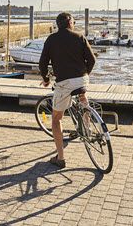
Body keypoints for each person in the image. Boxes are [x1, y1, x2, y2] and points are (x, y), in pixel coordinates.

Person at [39, 12, 96, 168]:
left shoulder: (51, 39)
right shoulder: (79, 37)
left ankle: (61, 158)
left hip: (64, 82)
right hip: (82, 78)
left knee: (56, 119)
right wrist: (84, 74)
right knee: (83, 99)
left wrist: (45, 79)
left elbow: (42, 63)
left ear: (58, 24)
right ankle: (87, 129)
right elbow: (92, 60)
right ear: (71, 23)